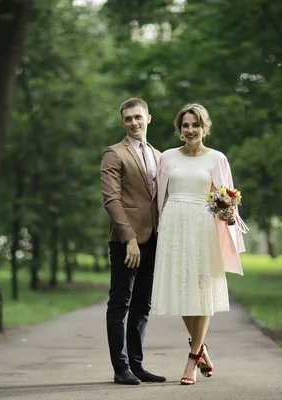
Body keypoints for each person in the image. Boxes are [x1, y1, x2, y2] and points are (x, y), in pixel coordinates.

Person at [151, 103, 247, 385]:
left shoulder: (217, 158)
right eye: (185, 125)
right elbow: (159, 195)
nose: (190, 130)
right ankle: (202, 347)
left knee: (202, 289)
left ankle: (192, 359)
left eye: (195, 125)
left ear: (205, 127)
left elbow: (226, 197)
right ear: (179, 130)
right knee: (182, 288)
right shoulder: (167, 157)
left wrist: (228, 212)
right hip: (173, 224)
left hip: (202, 226)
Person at [100, 98, 167, 385]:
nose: (134, 122)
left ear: (148, 118)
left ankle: (137, 366)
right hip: (126, 242)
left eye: (138, 117)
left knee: (143, 304)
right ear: (123, 122)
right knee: (120, 303)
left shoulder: (160, 155)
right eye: (128, 119)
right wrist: (129, 239)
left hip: (154, 238)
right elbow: (111, 200)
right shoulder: (113, 153)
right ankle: (121, 368)